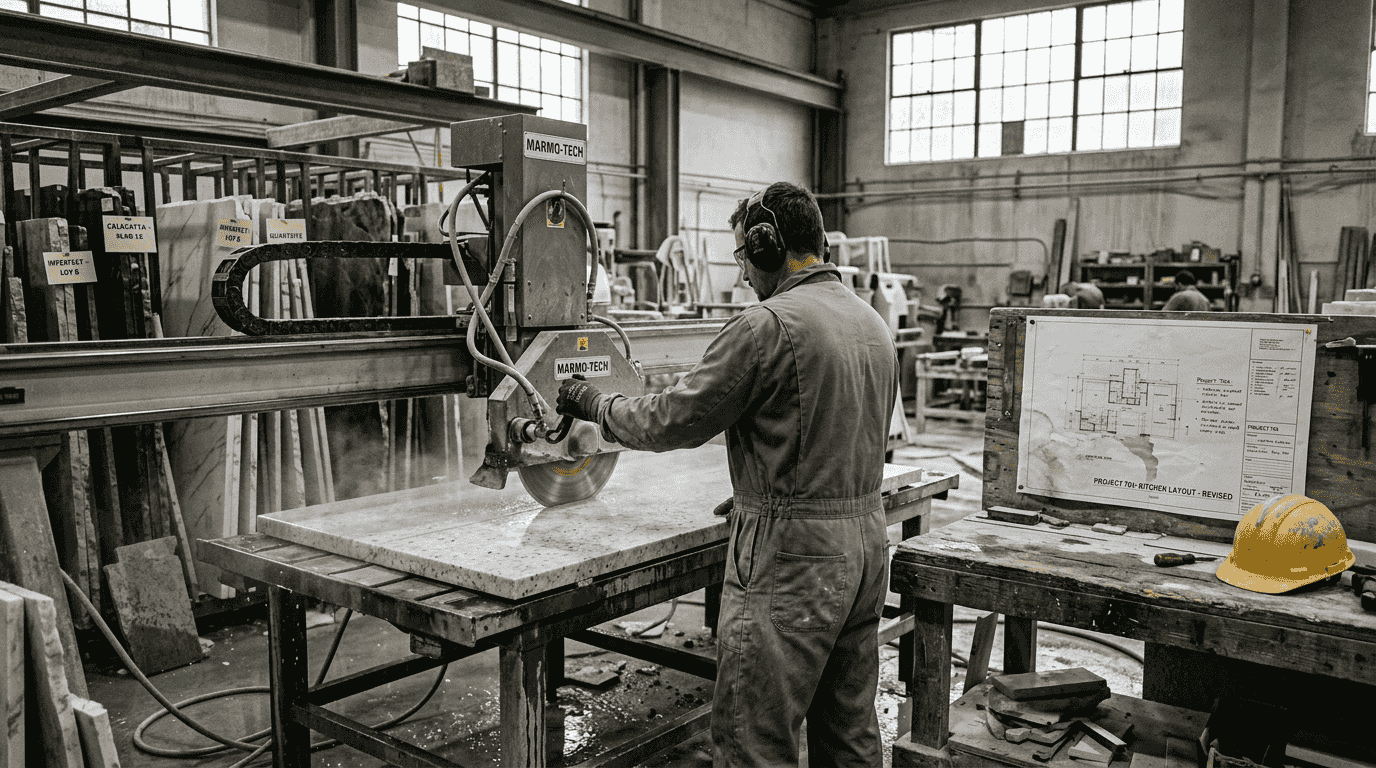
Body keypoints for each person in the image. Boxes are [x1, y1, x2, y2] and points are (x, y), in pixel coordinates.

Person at [556, 182, 897, 767]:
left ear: (768, 246)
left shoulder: (765, 326)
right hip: (865, 545)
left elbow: (671, 421)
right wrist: (765, 493)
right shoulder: (871, 324)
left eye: (743, 256)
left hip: (792, 560)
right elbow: (826, 438)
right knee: (849, 735)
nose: (742, 274)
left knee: (754, 739)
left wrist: (594, 404)